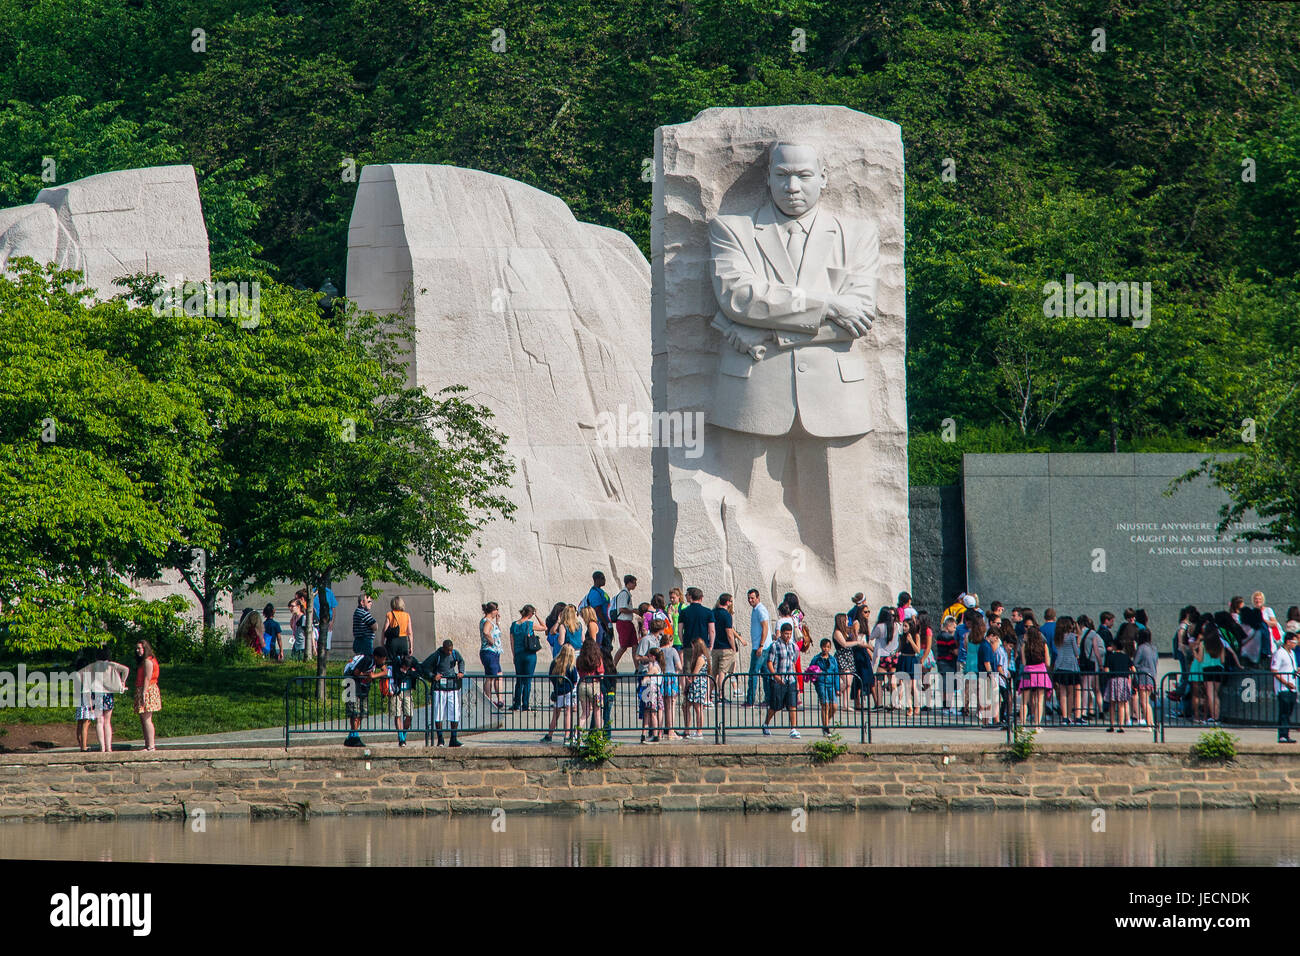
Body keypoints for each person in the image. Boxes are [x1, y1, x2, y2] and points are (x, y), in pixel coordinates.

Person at [88, 646, 129, 754]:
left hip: (96, 694)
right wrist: (123, 682)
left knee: (99, 722)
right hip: (108, 694)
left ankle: (102, 747)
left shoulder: (93, 666)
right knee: (107, 722)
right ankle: (109, 748)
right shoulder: (111, 665)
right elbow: (126, 669)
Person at [343, 645, 385, 747]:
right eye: (383, 659)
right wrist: (368, 675)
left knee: (363, 712)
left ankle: (351, 737)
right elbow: (356, 672)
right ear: (376, 657)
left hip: (363, 688)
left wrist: (374, 676)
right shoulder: (368, 660)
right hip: (352, 684)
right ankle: (355, 737)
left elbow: (385, 671)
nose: (384, 661)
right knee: (354, 712)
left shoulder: (376, 663)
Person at [424, 640, 465, 747]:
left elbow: (461, 661)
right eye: (448, 650)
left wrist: (461, 671)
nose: (450, 652)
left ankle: (454, 738)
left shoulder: (455, 654)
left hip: (452, 687)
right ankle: (440, 739)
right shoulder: (436, 655)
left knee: (455, 712)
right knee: (439, 713)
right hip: (439, 688)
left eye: (451, 650)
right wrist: (433, 676)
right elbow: (425, 667)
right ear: (443, 648)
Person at [765, 623, 801, 738]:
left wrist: (796, 680)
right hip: (778, 679)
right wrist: (775, 675)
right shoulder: (775, 645)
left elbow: (793, 662)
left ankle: (793, 728)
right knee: (775, 705)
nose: (788, 636)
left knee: (792, 704)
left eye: (790, 634)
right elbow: (769, 662)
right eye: (786, 634)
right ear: (781, 633)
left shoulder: (793, 646)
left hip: (790, 679)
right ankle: (766, 723)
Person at [541, 644, 579, 745]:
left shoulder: (555, 663)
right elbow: (575, 680)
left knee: (555, 715)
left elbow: (550, 676)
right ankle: (566, 736)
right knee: (568, 713)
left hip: (558, 691)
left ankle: (549, 735)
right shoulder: (571, 665)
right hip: (568, 690)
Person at [710, 593, 745, 700]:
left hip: (715, 647)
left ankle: (708, 696)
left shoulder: (712, 613)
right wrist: (733, 647)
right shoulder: (726, 615)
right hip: (725, 647)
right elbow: (729, 633)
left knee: (713, 673)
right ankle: (721, 695)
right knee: (722, 673)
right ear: (728, 602)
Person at [509, 605, 540, 711]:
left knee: (519, 680)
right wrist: (538, 616)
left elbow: (512, 642)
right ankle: (525, 704)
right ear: (531, 614)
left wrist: (514, 655)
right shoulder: (530, 624)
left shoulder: (513, 625)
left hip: (518, 655)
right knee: (527, 680)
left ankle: (516, 703)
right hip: (529, 655)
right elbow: (544, 627)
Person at [1052, 615, 1082, 724]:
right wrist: (1078, 641)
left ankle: (1064, 716)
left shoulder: (1057, 637)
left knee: (1062, 692)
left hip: (1060, 665)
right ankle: (1070, 715)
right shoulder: (1071, 636)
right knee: (1072, 692)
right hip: (1071, 666)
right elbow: (1077, 652)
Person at [1103, 630, 1135, 733]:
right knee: (1121, 704)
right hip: (1124, 680)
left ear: (1115, 646)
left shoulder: (1110, 657)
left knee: (1112, 704)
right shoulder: (1126, 657)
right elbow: (1133, 669)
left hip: (1113, 680)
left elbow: (1106, 669)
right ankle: (1121, 726)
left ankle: (1112, 725)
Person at [1019, 625, 1051, 726]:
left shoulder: (1024, 645)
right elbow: (1048, 662)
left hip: (1028, 671)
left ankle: (1023, 724)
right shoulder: (1043, 645)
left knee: (1024, 701)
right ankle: (1037, 725)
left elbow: (1024, 662)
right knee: (1039, 701)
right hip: (1041, 672)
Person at [133, 639, 161, 751]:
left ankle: (151, 745)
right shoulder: (146, 661)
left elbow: (147, 678)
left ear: (145, 648)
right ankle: (147, 744)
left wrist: (144, 693)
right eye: (137, 648)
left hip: (147, 690)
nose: (138, 651)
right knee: (143, 719)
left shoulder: (148, 661)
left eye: (140, 648)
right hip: (144, 689)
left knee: (147, 719)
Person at [745, 589, 771, 707]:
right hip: (762, 647)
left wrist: (760, 645)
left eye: (752, 598)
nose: (750, 600)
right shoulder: (756, 610)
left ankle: (750, 700)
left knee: (753, 673)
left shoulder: (760, 610)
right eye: (749, 598)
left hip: (760, 647)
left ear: (758, 597)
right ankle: (768, 699)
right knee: (765, 674)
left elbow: (765, 627)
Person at [1271, 630, 1298, 743]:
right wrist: (1285, 682)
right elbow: (1274, 670)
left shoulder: (1292, 653)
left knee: (1289, 712)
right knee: (1284, 712)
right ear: (1288, 641)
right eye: (1293, 642)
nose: (1295, 644)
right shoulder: (1279, 653)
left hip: (1292, 687)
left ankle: (1286, 734)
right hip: (1283, 689)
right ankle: (1282, 735)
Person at [808, 638, 840, 735]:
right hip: (821, 683)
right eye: (824, 647)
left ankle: (825, 722)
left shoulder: (833, 659)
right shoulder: (816, 659)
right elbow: (810, 670)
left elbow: (836, 673)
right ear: (821, 647)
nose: (826, 649)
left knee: (834, 706)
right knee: (825, 704)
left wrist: (837, 688)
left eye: (828, 647)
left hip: (831, 684)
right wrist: (815, 680)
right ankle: (826, 728)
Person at [1078, 615, 1106, 720]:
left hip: (1083, 664)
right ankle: (1100, 710)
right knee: (1096, 688)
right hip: (1093, 664)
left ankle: (1084, 711)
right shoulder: (1093, 634)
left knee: (1085, 688)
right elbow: (1098, 651)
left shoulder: (1079, 634)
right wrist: (1100, 664)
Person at [871, 607, 900, 710]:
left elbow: (871, 637)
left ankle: (879, 703)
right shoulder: (897, 625)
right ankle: (894, 703)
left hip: (883, 656)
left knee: (878, 680)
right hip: (894, 656)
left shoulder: (880, 627)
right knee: (892, 680)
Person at [388, 654, 419, 746]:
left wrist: (406, 672)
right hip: (397, 691)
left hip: (407, 691)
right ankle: (401, 738)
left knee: (409, 715)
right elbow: (397, 675)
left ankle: (404, 735)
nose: (406, 668)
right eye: (405, 667)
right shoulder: (396, 663)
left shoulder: (413, 662)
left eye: (408, 667)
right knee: (397, 714)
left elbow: (418, 673)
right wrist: (405, 673)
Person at [576, 637, 605, 736]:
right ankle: (600, 736)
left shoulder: (579, 658)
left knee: (585, 712)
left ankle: (576, 733)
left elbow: (579, 670)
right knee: (597, 712)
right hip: (594, 685)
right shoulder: (597, 658)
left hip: (582, 684)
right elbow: (601, 673)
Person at [479, 602, 506, 708]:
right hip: (489, 651)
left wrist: (498, 622)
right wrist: (491, 642)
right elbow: (486, 632)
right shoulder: (487, 621)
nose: (498, 611)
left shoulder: (490, 621)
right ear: (493, 611)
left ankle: (500, 699)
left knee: (499, 675)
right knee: (490, 677)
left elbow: (497, 632)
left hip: (494, 652)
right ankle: (488, 700)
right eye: (497, 609)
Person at [831, 612, 860, 708]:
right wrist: (857, 642)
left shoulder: (846, 631)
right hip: (842, 657)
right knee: (847, 681)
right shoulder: (837, 632)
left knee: (849, 684)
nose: (848, 621)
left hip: (849, 656)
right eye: (847, 619)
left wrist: (855, 631)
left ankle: (845, 705)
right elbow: (844, 644)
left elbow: (855, 633)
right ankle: (834, 692)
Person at [934, 614, 960, 714]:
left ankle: (945, 706)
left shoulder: (940, 635)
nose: (955, 629)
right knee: (949, 686)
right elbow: (955, 651)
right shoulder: (949, 638)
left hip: (941, 661)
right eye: (954, 626)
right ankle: (949, 707)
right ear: (948, 625)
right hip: (949, 662)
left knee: (944, 685)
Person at [684, 638, 710, 740]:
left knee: (698, 708)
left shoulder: (701, 658)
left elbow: (695, 673)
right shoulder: (699, 657)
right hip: (696, 684)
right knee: (686, 706)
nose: (692, 649)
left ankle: (699, 731)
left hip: (698, 684)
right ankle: (688, 729)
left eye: (693, 647)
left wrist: (689, 680)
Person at [658, 632, 682, 740]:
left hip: (661, 678)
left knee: (661, 705)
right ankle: (671, 730)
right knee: (671, 705)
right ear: (670, 641)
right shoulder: (672, 651)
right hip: (671, 678)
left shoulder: (659, 651)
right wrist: (677, 670)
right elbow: (679, 666)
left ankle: (660, 731)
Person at [581, 571, 613, 650]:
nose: (604, 580)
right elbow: (598, 610)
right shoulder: (594, 593)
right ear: (596, 579)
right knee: (603, 647)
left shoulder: (600, 591)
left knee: (607, 647)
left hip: (605, 622)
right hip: (601, 623)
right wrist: (606, 624)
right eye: (602, 578)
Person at [678, 587, 715, 654]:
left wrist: (683, 643)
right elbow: (711, 631)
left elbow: (680, 630)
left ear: (691, 596)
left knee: (689, 664)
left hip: (689, 645)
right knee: (702, 664)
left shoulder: (684, 612)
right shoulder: (708, 612)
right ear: (701, 598)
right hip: (703, 645)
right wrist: (711, 645)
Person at [611, 574, 638, 666]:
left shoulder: (627, 594)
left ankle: (637, 667)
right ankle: (613, 665)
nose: (635, 585)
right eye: (634, 583)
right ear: (629, 583)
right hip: (623, 622)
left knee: (635, 645)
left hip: (628, 622)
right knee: (623, 646)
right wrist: (633, 611)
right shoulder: (624, 594)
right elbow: (622, 609)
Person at [1133, 629, 1158, 729]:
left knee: (1144, 702)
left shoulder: (1141, 648)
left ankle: (1149, 724)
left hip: (1143, 676)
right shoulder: (1154, 648)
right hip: (1151, 676)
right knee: (1147, 702)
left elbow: (1135, 663)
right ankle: (1150, 722)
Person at [71, 648, 95, 751]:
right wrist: (91, 706)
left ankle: (80, 744)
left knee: (80, 724)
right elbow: (87, 691)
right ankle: (84, 747)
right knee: (86, 724)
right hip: (86, 701)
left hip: (79, 701)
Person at [639, 649, 664, 743]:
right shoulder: (655, 666)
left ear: (653, 657)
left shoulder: (655, 667)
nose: (648, 658)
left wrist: (645, 677)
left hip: (652, 690)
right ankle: (643, 734)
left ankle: (655, 735)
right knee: (646, 712)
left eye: (649, 656)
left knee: (652, 713)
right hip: (650, 690)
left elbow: (645, 678)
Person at [313, 585, 338, 653]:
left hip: (327, 621)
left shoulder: (329, 592)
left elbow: (333, 608)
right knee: (315, 642)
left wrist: (332, 621)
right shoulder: (313, 591)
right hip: (315, 621)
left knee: (326, 644)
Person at [667, 587, 685, 652]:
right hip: (670, 636)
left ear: (678, 597)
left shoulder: (682, 607)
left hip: (679, 636)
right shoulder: (668, 607)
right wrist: (669, 614)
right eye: (670, 598)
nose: (671, 600)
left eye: (673, 598)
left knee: (680, 656)